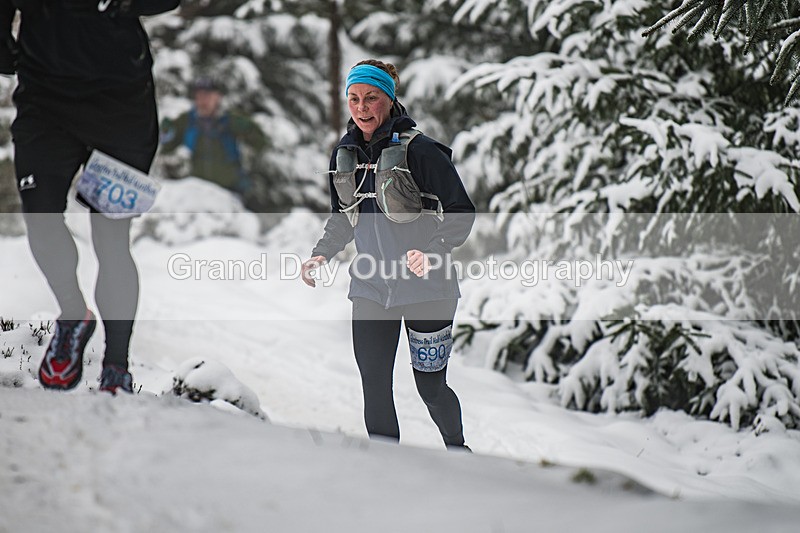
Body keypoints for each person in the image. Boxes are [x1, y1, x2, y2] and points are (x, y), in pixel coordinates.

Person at [0, 0, 181, 393]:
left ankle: (116, 365)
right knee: (42, 218)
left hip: (121, 107)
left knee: (111, 238)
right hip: (44, 103)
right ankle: (72, 314)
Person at [302, 60, 476, 450]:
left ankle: (458, 450)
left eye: (371, 98)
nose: (362, 108)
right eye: (354, 99)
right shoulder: (343, 156)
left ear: (389, 98)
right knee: (375, 387)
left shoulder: (423, 151)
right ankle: (386, 470)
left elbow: (461, 210)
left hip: (429, 289)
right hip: (370, 287)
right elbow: (342, 220)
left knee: (430, 387)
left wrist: (434, 252)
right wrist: (321, 255)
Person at [159, 75, 267, 199]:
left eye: (207, 96)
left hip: (229, 191)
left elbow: (260, 144)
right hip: (196, 191)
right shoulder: (187, 121)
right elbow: (166, 148)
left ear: (218, 97)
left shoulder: (230, 120)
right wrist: (166, 132)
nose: (202, 101)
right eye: (198, 96)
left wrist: (250, 129)